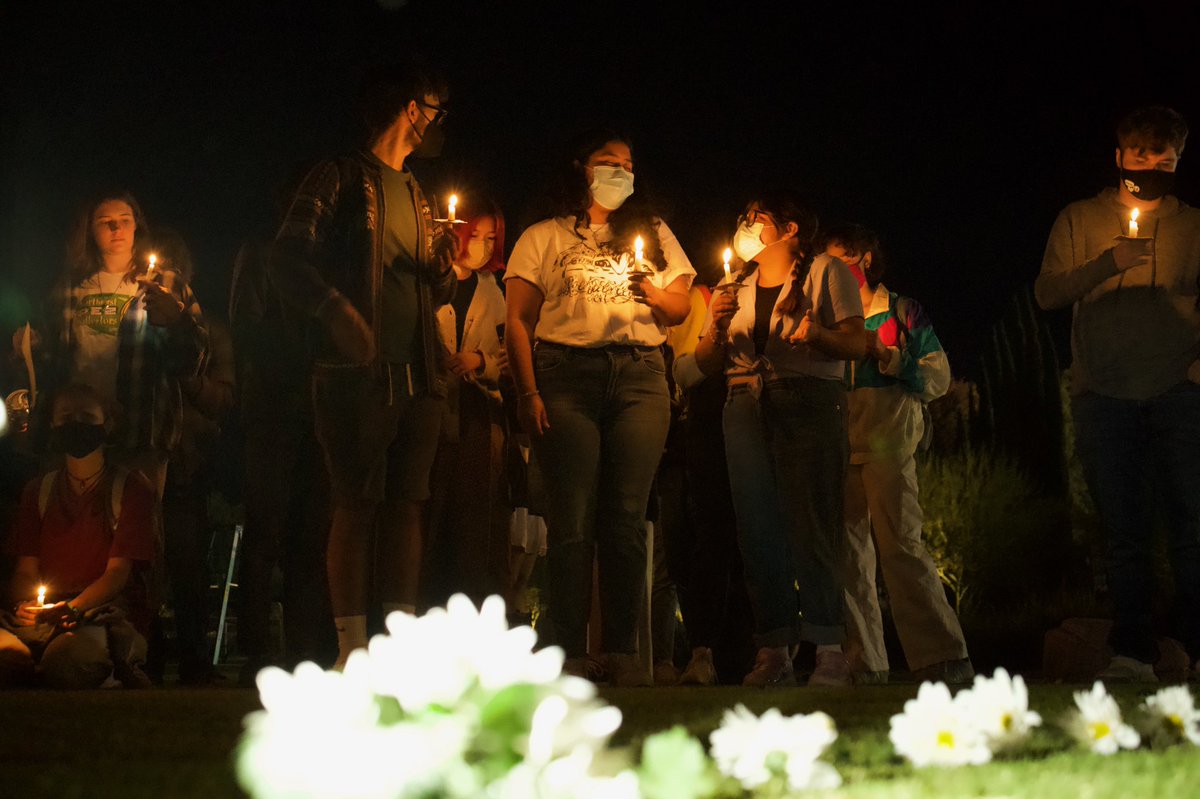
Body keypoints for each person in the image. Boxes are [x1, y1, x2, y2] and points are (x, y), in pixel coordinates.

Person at [269, 60, 457, 668]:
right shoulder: (340, 176)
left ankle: (396, 652)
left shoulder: (420, 194)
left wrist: (443, 269)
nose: (441, 123)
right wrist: (336, 311)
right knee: (354, 504)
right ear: (413, 109)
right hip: (357, 378)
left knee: (406, 506)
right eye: (437, 109)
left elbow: (435, 290)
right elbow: (286, 259)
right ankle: (351, 651)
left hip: (420, 375)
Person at [505, 128, 695, 686]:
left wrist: (652, 293)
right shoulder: (544, 236)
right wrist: (528, 392)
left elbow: (680, 305)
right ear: (580, 168)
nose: (621, 172)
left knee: (626, 518)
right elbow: (517, 320)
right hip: (567, 377)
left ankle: (621, 652)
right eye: (609, 161)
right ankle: (567, 652)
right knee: (572, 518)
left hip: (640, 377)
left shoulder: (654, 233)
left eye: (629, 164)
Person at [1035, 106, 1200, 683]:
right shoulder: (1080, 218)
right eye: (1141, 156)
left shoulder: (1193, 226)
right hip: (1104, 395)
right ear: (1119, 157)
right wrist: (1108, 263)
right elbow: (1048, 293)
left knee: (1191, 525)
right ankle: (1133, 652)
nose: (1151, 168)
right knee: (1124, 531)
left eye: (1164, 160)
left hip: (1179, 393)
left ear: (1178, 161)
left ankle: (1192, 649)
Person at [694, 191, 865, 687]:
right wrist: (716, 324)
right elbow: (706, 362)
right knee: (758, 529)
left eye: (757, 218)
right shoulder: (734, 283)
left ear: (790, 230)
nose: (745, 225)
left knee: (812, 525)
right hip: (743, 404)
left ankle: (828, 649)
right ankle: (774, 649)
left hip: (808, 401)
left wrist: (818, 336)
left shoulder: (827, 271)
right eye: (743, 217)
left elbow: (857, 342)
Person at [823, 224, 971, 685]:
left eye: (839, 261)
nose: (831, 272)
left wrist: (889, 357)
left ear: (865, 259)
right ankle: (864, 662)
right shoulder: (829, 319)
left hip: (890, 444)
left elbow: (938, 378)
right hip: (842, 448)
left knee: (902, 549)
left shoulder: (903, 311)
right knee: (848, 559)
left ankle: (943, 656)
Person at [14, 190, 208, 496]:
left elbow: (192, 363)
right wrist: (28, 347)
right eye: (105, 221)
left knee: (135, 521)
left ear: (136, 226)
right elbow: (49, 364)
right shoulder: (70, 286)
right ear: (90, 230)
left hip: (139, 434)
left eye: (124, 220)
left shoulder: (166, 284)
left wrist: (177, 322)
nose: (116, 228)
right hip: (72, 432)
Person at [230, 180, 335, 681]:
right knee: (266, 531)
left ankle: (305, 649)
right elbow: (245, 327)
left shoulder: (326, 262)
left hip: (318, 412)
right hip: (273, 408)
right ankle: (256, 650)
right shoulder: (260, 253)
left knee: (312, 535)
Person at [0, 382, 156, 688]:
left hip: (96, 614)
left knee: (68, 661)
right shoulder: (38, 491)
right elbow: (26, 570)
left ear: (107, 424)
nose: (76, 425)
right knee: (7, 657)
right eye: (66, 417)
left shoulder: (130, 488)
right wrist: (28, 606)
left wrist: (73, 609)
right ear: (53, 424)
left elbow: (117, 574)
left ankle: (98, 666)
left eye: (87, 417)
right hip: (43, 617)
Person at [424, 199, 511, 607]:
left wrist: (480, 361)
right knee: (429, 509)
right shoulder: (432, 280)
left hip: (478, 414)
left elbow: (508, 355)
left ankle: (472, 604)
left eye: (491, 238)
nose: (483, 245)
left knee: (475, 516)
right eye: (475, 234)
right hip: (432, 409)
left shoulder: (494, 291)